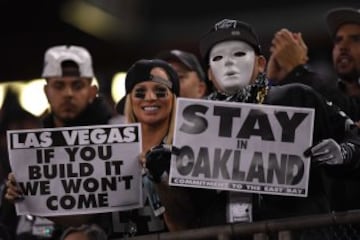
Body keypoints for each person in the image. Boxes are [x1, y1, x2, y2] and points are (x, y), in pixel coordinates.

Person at [144, 18, 360, 239]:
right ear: (209, 73)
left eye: (239, 54)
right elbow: (185, 216)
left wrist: (343, 153)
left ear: (260, 64)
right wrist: (166, 179)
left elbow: (355, 137)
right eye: (218, 58)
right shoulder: (194, 124)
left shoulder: (297, 98)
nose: (229, 63)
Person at [4, 45, 114, 239]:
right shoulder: (29, 149)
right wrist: (12, 193)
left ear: (92, 91)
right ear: (46, 91)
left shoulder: (118, 142)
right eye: (59, 85)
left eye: (77, 85)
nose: (68, 93)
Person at [268, 7, 360, 213]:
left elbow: (347, 121)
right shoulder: (330, 92)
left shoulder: (328, 97)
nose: (343, 46)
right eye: (338, 41)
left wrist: (298, 70)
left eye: (356, 39)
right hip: (330, 224)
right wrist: (273, 83)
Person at [103, 58, 184, 238]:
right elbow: (84, 218)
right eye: (140, 92)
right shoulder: (108, 152)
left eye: (160, 91)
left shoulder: (187, 152)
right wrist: (34, 197)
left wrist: (159, 179)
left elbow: (183, 226)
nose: (150, 98)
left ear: (174, 99)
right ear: (130, 100)